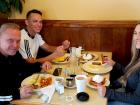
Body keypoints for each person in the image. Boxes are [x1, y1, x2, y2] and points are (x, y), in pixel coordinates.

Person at [0, 23, 52, 104]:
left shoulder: (14, 54)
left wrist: (41, 65)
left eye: (18, 41)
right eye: (10, 40)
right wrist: (18, 94)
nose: (15, 45)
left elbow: (24, 67)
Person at [97, 24, 140, 105]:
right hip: (127, 92)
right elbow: (130, 75)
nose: (137, 37)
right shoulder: (138, 55)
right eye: (135, 33)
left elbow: (137, 98)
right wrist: (114, 64)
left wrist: (108, 93)